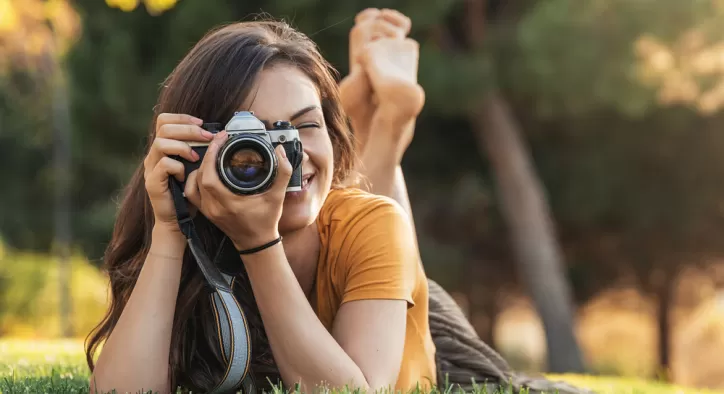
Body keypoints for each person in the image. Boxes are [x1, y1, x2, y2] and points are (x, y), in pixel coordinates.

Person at [85, 9, 432, 394]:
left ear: (332, 134)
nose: (284, 159)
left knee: (380, 215)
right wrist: (170, 230)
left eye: (304, 125)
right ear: (197, 151)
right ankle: (367, 121)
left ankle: (381, 128)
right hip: (353, 274)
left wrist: (258, 244)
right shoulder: (192, 233)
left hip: (398, 316)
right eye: (254, 144)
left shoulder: (371, 225)